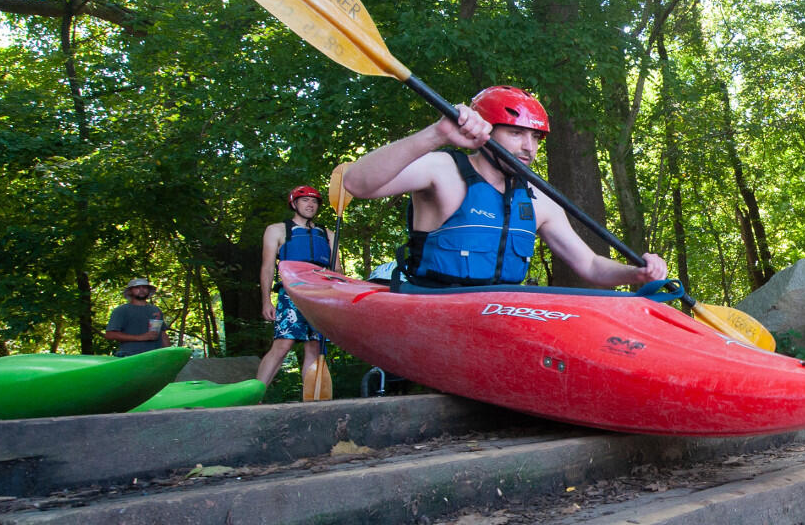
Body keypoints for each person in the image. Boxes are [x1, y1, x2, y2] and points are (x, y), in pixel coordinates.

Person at [341, 85, 667, 290]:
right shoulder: (444, 170)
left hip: (500, 315)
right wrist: (436, 135)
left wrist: (636, 274)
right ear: (484, 132)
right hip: (433, 305)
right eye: (515, 133)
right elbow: (356, 183)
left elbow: (591, 266)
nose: (529, 148)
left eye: (536, 137)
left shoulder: (540, 200)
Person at [256, 185, 334, 388]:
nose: (311, 204)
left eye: (315, 201)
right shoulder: (277, 230)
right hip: (292, 293)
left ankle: (311, 402)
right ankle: (255, 397)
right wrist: (266, 301)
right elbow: (266, 268)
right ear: (294, 203)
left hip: (321, 294)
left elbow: (337, 271)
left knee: (314, 347)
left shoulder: (328, 234)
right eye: (305, 200)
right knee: (283, 344)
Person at [103, 278, 169, 356]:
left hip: (155, 356)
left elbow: (162, 333)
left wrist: (169, 353)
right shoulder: (121, 310)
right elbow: (110, 334)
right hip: (130, 357)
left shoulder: (155, 310)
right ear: (130, 291)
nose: (141, 290)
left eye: (144, 287)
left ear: (148, 290)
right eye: (137, 287)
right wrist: (141, 337)